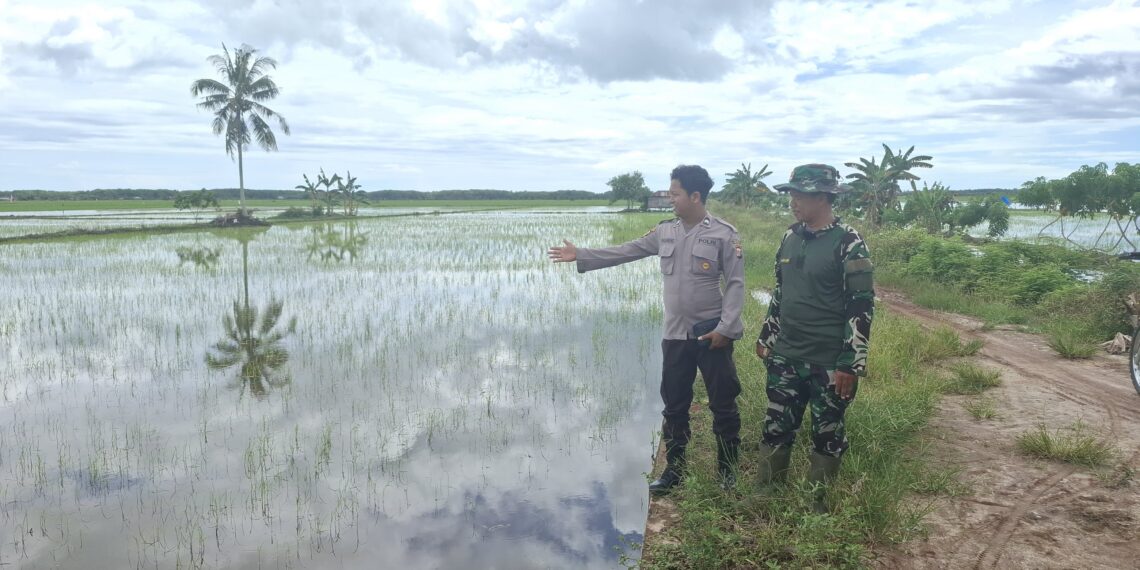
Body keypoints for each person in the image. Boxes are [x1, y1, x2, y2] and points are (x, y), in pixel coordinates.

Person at [548, 165, 745, 493]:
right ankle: (674, 472)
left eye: (675, 194)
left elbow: (736, 284)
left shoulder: (724, 234)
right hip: (675, 335)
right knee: (674, 405)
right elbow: (627, 250)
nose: (671, 199)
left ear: (695, 196)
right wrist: (581, 254)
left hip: (711, 333)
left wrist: (726, 329)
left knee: (723, 403)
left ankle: (727, 472)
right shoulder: (665, 231)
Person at [754, 164, 875, 513]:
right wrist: (768, 334)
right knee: (777, 424)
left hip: (829, 361)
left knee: (827, 432)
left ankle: (816, 502)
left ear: (823, 196)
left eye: (800, 195)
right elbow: (781, 292)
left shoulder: (849, 242)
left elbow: (861, 306)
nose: (793, 202)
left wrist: (851, 363)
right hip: (786, 355)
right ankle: (767, 490)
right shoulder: (790, 237)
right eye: (790, 194)